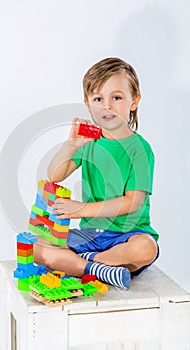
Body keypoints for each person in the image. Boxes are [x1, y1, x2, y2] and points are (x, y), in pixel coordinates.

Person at [33, 57, 159, 290]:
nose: (107, 106)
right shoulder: (90, 143)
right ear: (88, 103)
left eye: (117, 98)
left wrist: (80, 209)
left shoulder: (140, 149)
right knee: (37, 246)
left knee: (146, 248)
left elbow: (132, 202)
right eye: (98, 99)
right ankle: (101, 270)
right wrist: (70, 146)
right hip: (90, 235)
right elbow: (54, 175)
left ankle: (85, 265)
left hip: (127, 235)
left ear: (134, 101)